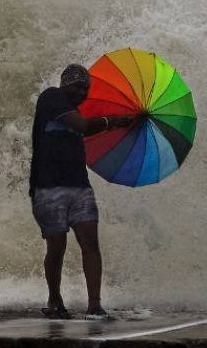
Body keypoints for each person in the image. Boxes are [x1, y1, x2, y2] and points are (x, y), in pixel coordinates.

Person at [30, 63, 133, 319]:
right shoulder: (51, 98)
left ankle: (95, 305)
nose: (82, 93)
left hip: (79, 187)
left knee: (91, 243)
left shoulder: (75, 110)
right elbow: (82, 126)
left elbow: (83, 127)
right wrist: (115, 121)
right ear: (65, 84)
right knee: (56, 248)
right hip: (47, 187)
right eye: (77, 87)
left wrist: (129, 123)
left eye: (86, 88)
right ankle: (55, 300)